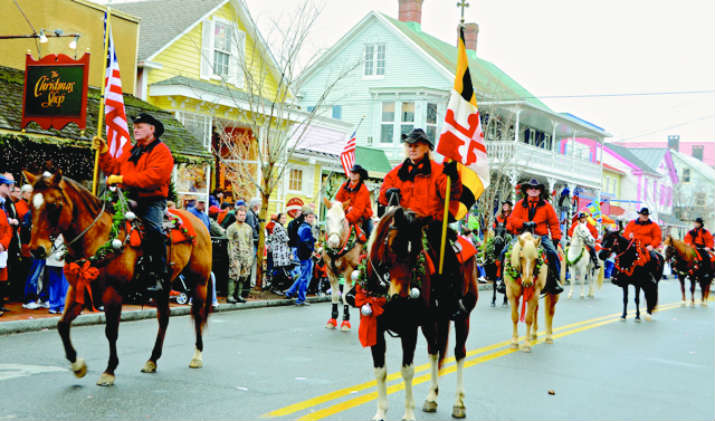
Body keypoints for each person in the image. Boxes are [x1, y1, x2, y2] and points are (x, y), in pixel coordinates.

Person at [377, 128, 464, 318]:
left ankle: (452, 299)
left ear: (426, 148)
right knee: (377, 247)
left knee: (447, 254)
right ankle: (368, 287)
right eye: (409, 145)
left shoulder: (440, 171)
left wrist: (454, 178)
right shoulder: (394, 173)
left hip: (429, 224)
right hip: (403, 224)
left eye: (416, 145)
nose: (412, 149)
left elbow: (453, 194)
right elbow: (383, 196)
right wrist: (388, 193)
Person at [93, 113, 175, 293]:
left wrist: (123, 178)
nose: (135, 129)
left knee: (154, 230)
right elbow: (113, 169)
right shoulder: (131, 151)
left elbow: (153, 178)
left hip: (152, 200)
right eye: (134, 126)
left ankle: (159, 275)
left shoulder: (162, 152)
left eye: (140, 126)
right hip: (127, 198)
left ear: (152, 130)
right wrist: (105, 153)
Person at [506, 178, 564, 295]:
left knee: (553, 253)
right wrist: (523, 223)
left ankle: (555, 280)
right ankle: (503, 282)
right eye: (531, 188)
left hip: (540, 236)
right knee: (504, 252)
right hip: (522, 236)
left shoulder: (547, 206)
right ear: (526, 190)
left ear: (540, 191)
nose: (533, 190)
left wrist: (556, 238)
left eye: (536, 188)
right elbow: (512, 219)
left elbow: (554, 223)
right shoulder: (519, 204)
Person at [284, 207, 316, 306]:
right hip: (305, 255)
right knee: (304, 277)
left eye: (312, 217)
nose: (311, 219)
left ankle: (290, 292)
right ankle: (301, 299)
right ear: (305, 217)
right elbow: (305, 242)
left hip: (303, 254)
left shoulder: (304, 226)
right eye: (309, 217)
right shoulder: (305, 228)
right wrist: (312, 250)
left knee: (303, 275)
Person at [334, 164, 374, 239]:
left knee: (371, 239)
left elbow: (358, 210)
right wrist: (348, 208)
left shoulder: (363, 189)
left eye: (355, 173)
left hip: (363, 218)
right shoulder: (344, 186)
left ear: (360, 176)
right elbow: (338, 202)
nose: (353, 174)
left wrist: (346, 219)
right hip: (345, 216)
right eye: (351, 172)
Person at [225, 205, 253, 303]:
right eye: (240, 215)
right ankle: (230, 296)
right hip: (235, 255)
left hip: (245, 255)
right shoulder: (231, 228)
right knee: (233, 275)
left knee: (243, 276)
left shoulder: (248, 228)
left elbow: (251, 243)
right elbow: (229, 243)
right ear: (236, 216)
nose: (242, 217)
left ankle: (239, 295)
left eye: (244, 215)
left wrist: (250, 256)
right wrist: (232, 256)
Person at [622, 207, 663, 273]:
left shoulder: (654, 225)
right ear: (639, 215)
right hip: (633, 246)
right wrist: (628, 235)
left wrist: (652, 246)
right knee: (621, 256)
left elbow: (657, 238)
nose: (645, 216)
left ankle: (653, 274)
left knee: (654, 258)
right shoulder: (631, 223)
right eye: (643, 215)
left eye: (646, 215)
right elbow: (625, 234)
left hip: (647, 247)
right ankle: (618, 274)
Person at [267, 213, 292, 292]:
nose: (284, 220)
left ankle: (276, 286)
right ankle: (274, 287)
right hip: (278, 252)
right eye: (282, 218)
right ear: (278, 219)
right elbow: (285, 239)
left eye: (285, 218)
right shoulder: (278, 227)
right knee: (278, 270)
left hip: (282, 252)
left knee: (279, 269)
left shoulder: (281, 227)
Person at [46, 235, 69, 314]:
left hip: (64, 254)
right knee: (53, 282)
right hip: (52, 255)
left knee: (64, 283)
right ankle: (53, 305)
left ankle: (63, 305)